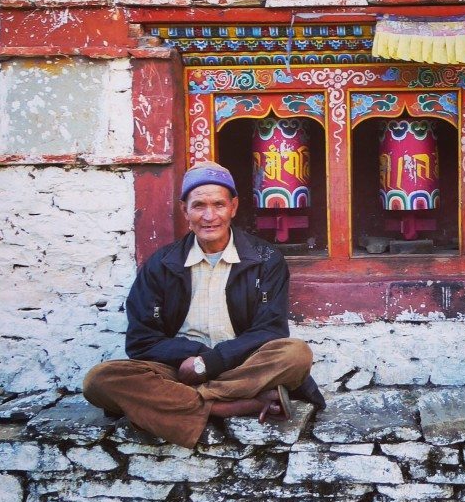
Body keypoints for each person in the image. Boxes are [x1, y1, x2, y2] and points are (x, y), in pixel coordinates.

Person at [83, 160, 322, 448]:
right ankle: (233, 405)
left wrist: (212, 362)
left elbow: (270, 331)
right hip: (179, 369)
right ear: (185, 210)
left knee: (296, 354)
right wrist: (195, 359)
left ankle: (185, 403)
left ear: (233, 207)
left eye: (218, 205)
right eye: (199, 206)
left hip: (242, 365)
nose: (209, 216)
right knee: (99, 380)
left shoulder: (265, 259)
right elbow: (141, 341)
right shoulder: (162, 264)